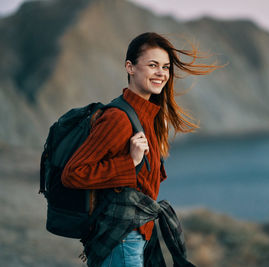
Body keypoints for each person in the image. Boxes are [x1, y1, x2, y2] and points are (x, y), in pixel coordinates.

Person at [61, 32, 221, 267]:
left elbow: (146, 182)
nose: (161, 73)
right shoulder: (117, 118)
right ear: (130, 67)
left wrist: (156, 148)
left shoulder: (145, 115)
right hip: (122, 239)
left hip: (135, 236)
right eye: (153, 65)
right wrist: (130, 162)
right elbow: (73, 174)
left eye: (166, 67)